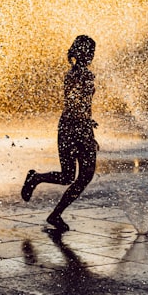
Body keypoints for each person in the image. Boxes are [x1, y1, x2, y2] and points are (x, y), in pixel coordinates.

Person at [21, 35, 99, 232]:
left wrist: (89, 130)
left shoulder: (79, 74)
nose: (92, 55)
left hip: (73, 128)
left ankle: (41, 187)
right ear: (82, 52)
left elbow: (83, 106)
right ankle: (52, 208)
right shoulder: (78, 75)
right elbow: (74, 104)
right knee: (76, 176)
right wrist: (86, 127)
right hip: (74, 128)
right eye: (90, 51)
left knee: (72, 176)